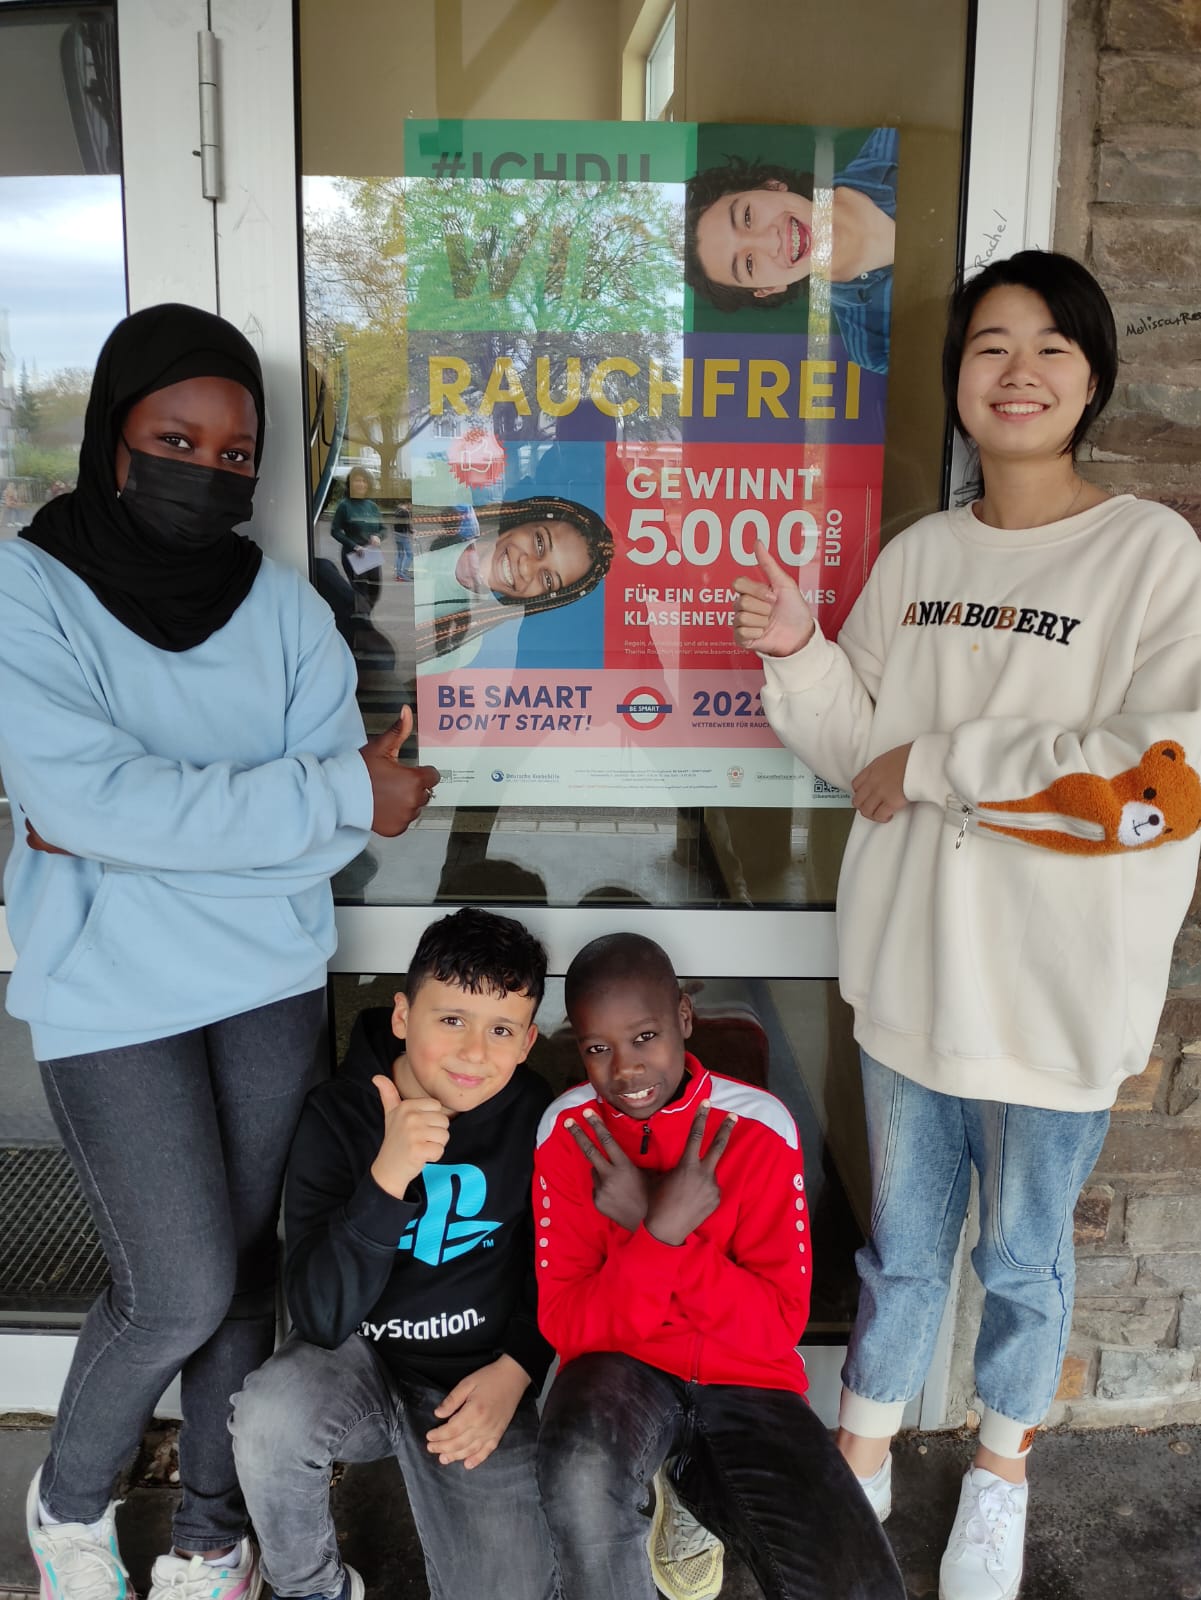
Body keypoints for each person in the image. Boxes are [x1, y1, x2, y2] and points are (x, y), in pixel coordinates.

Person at [733, 250, 1201, 1599]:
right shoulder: (922, 556)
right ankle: (864, 1444)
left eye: (1050, 346)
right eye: (990, 345)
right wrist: (797, 651)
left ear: (1092, 379)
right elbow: (862, 757)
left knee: (1022, 1262)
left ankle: (1000, 1468)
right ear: (954, 382)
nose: (1017, 371)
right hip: (910, 978)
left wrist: (941, 762)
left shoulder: (1150, 555)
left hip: (1053, 997)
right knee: (901, 1249)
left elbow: (1157, 786)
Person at [0, 303, 439, 1600]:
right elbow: (87, 802)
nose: (209, 469)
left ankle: (208, 1537)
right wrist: (315, 799)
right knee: (177, 1286)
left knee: (248, 1278)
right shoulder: (29, 592)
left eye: (237, 453)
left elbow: (266, 832)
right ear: (113, 436)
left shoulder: (287, 612)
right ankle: (70, 1502)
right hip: (110, 994)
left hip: (264, 982)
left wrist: (143, 821)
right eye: (177, 439)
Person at [534, 932, 906, 1600]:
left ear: (683, 1017)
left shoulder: (758, 1127)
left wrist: (655, 1227)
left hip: (747, 1381)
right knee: (577, 1473)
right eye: (598, 1048)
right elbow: (568, 1326)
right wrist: (661, 1233)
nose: (625, 1070)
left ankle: (689, 1487)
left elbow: (774, 1326)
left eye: (644, 1037)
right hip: (620, 1376)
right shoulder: (570, 1134)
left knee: (859, 1586)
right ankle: (668, 1471)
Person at [230, 907, 558, 1600]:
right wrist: (388, 1177)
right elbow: (318, 1316)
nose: (474, 1052)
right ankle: (311, 1588)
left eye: (500, 1030)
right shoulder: (337, 1113)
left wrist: (519, 1369)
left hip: (473, 1386)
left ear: (528, 1040)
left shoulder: (535, 1113)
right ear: (403, 1015)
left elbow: (555, 1263)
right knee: (269, 1418)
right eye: (451, 1020)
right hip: (357, 1366)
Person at [684, 127, 898, 373]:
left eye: (747, 216)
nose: (771, 241)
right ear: (770, 289)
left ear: (771, 185)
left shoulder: (893, 139)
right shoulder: (873, 346)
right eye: (748, 264)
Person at [413, 494, 614, 671]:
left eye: (548, 580)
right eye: (540, 543)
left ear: (540, 598)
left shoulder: (460, 644)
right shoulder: (444, 492)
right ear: (526, 519)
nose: (526, 568)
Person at [330, 466, 384, 612]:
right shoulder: (344, 506)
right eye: (357, 480)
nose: (361, 484)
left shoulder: (372, 506)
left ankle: (364, 616)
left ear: (368, 484)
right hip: (354, 554)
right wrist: (353, 545)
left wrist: (378, 536)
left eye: (364, 481)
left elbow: (383, 529)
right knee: (361, 592)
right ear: (350, 484)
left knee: (374, 591)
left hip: (371, 554)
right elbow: (335, 531)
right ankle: (361, 620)